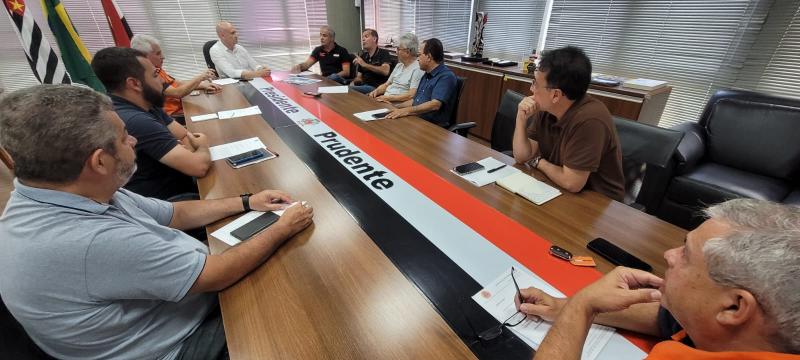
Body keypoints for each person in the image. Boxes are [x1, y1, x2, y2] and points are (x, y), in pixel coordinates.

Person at [0, 84, 314, 359]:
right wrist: (281, 227)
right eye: (123, 138)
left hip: (177, 299)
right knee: (307, 312)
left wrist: (247, 201)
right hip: (180, 345)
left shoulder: (62, 189)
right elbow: (216, 275)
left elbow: (174, 214)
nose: (134, 141)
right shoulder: (86, 241)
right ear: (99, 161)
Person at [519, 199, 800, 359]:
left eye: (686, 254)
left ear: (734, 307)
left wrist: (581, 306)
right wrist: (561, 307)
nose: (669, 255)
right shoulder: (748, 332)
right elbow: (671, 319)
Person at [92, 47, 212, 200]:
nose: (162, 81)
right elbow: (198, 166)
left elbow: (184, 134)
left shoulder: (145, 103)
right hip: (170, 200)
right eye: (155, 75)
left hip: (182, 181)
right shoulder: (135, 120)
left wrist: (189, 148)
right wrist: (202, 145)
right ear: (134, 84)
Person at [511, 46, 625, 201]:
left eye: (536, 84)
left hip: (598, 203)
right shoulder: (547, 108)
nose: (531, 88)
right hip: (557, 188)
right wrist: (520, 118)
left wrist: (538, 161)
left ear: (556, 95)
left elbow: (572, 182)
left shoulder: (590, 120)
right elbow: (521, 156)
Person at [130, 34, 222, 118]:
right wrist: (200, 78)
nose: (163, 56)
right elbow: (177, 93)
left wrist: (202, 85)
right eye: (158, 54)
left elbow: (177, 83)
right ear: (144, 57)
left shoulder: (157, 69)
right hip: (173, 116)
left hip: (182, 107)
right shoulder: (148, 76)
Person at [385, 38, 457, 127]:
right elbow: (415, 101)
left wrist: (407, 110)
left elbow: (435, 105)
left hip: (432, 126)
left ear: (429, 57)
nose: (418, 59)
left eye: (419, 55)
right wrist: (396, 107)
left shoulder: (446, 77)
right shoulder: (426, 74)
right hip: (416, 119)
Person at [368, 32, 423, 103]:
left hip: (396, 104)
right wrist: (376, 91)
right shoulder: (399, 65)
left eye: (398, 49)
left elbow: (411, 95)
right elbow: (386, 85)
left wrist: (388, 98)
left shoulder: (417, 68)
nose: (396, 52)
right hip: (385, 100)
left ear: (408, 52)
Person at [350, 28, 392, 94]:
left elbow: (385, 71)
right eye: (362, 37)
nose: (363, 39)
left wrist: (365, 65)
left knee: (347, 90)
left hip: (376, 88)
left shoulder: (383, 53)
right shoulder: (363, 56)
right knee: (344, 88)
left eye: (366, 37)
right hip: (363, 85)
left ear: (374, 39)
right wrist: (355, 81)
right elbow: (359, 76)